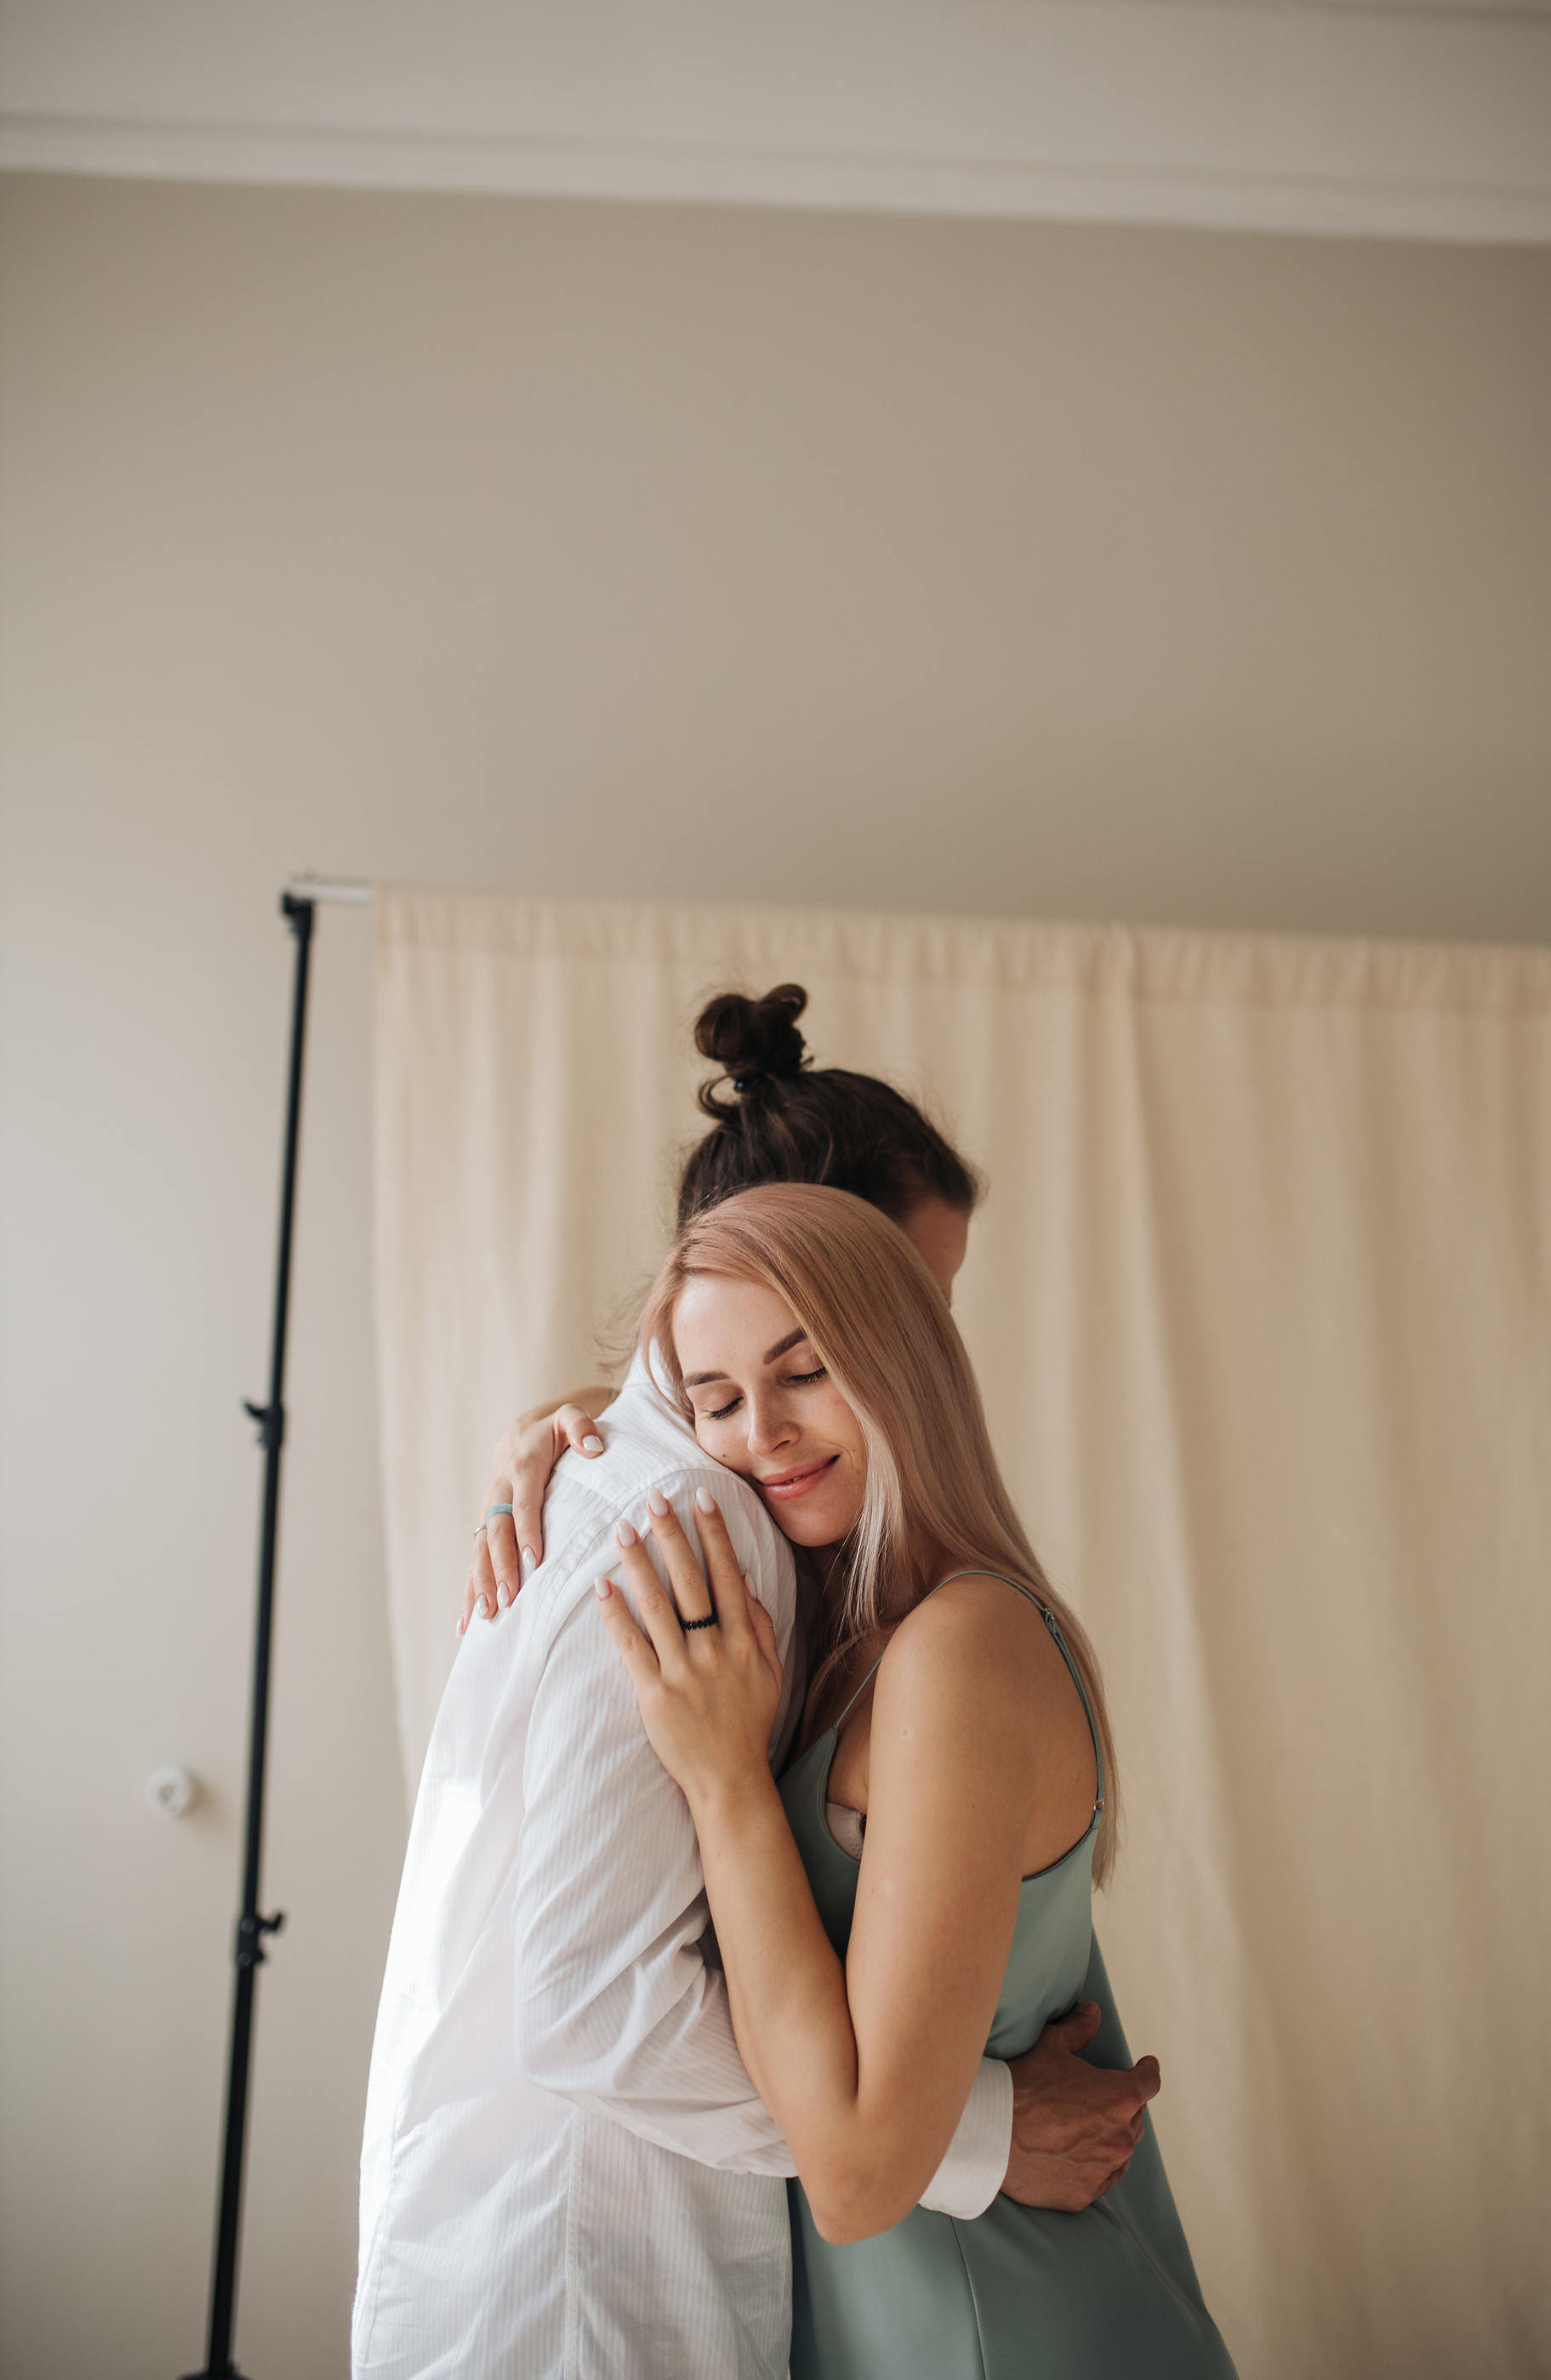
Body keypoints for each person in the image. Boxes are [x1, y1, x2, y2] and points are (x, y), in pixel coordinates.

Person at [355, 991, 1157, 2380]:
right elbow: (595, 2001)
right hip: (589, 2291)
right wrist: (973, 2134)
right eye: (914, 1294)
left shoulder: (771, 1536)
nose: (936, 1341)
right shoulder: (697, 1521)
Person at [598, 1181, 1237, 2379]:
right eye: (717, 1401)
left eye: (804, 1372)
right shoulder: (851, 1640)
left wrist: (728, 1785)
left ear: (904, 1360)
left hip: (1005, 2328)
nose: (761, 1434)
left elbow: (855, 2179)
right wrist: (542, 1436)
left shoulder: (960, 1648)